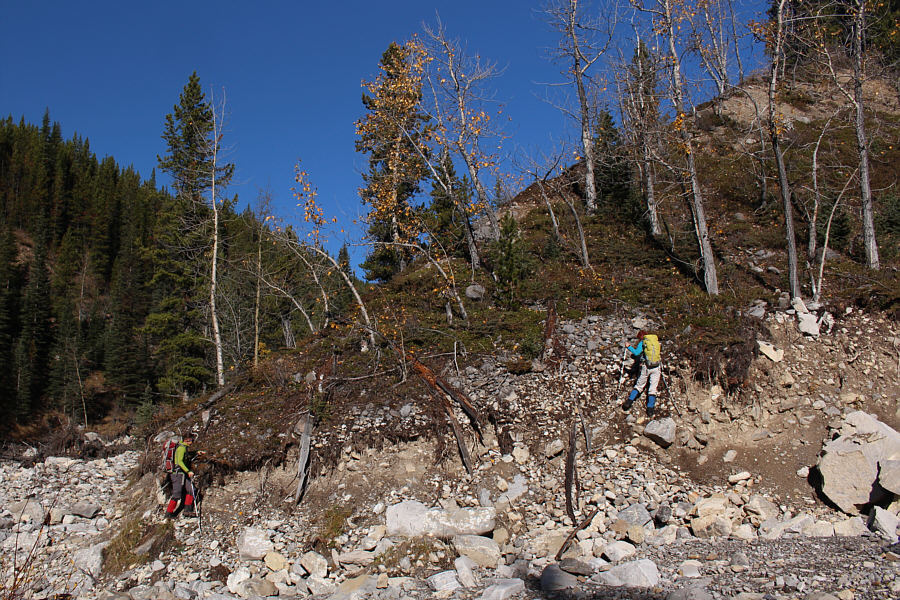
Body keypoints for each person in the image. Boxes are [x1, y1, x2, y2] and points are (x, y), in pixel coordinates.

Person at [622, 330, 661, 417]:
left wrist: (629, 347)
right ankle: (650, 409)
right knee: (653, 388)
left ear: (640, 337)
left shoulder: (643, 342)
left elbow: (636, 353)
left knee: (639, 385)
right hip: (656, 367)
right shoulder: (655, 342)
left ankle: (628, 402)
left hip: (646, 367)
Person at [165, 432, 204, 519]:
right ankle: (169, 513)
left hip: (182, 474)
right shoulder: (181, 448)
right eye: (192, 440)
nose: (192, 442)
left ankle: (187, 511)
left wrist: (196, 452)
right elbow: (179, 462)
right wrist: (188, 471)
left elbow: (187, 455)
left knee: (191, 489)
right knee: (177, 494)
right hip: (177, 474)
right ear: (187, 440)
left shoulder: (184, 447)